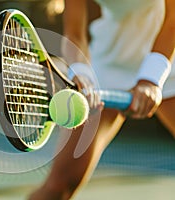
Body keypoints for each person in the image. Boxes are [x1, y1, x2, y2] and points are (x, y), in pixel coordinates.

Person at [29, 0, 175, 199]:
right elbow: (74, 34)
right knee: (59, 185)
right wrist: (82, 73)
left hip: (167, 56)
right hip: (111, 62)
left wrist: (150, 78)